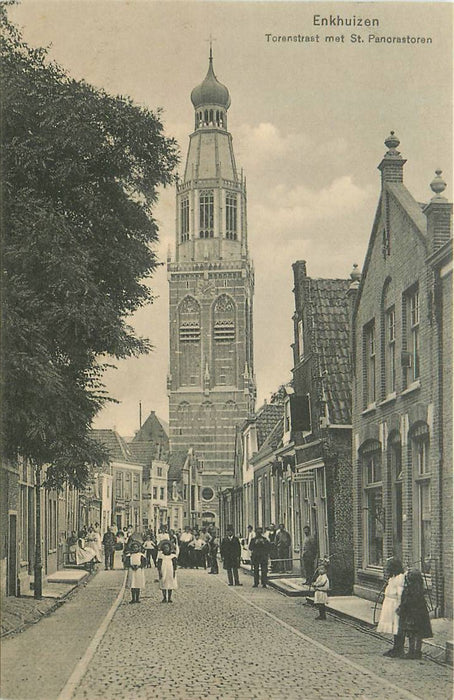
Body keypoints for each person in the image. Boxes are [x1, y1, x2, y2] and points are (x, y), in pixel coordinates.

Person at [398, 568, 433, 660]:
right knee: (418, 633)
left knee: (411, 633)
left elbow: (405, 603)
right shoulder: (420, 590)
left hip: (411, 615)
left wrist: (401, 609)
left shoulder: (408, 590)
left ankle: (411, 651)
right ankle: (418, 651)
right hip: (420, 615)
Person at [377, 557, 406, 657]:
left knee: (397, 626)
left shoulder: (399, 578)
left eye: (388, 566)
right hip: (389, 604)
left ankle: (399, 649)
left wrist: (400, 606)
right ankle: (396, 647)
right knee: (394, 627)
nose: (387, 569)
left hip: (395, 604)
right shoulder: (392, 577)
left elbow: (401, 594)